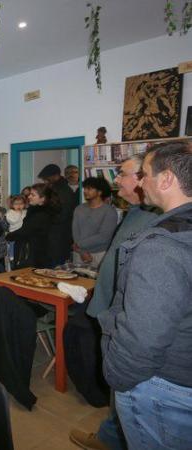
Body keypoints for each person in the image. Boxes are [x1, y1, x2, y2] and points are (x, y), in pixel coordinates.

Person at [99, 141, 192, 450]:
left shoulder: (161, 246)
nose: (141, 182)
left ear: (166, 180)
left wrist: (117, 376)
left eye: (146, 174)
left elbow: (143, 336)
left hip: (163, 386)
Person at [69, 154, 159, 450]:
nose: (116, 180)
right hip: (111, 311)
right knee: (121, 395)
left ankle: (112, 438)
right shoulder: (136, 210)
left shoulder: (157, 219)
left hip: (125, 318)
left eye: (123, 174)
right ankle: (110, 436)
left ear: (147, 179)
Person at [6, 183, 59, 269]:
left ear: (42, 198)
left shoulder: (42, 214)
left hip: (36, 254)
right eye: (30, 194)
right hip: (32, 251)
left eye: (33, 195)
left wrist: (8, 236)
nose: (29, 196)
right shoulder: (33, 210)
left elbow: (25, 231)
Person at [72, 177, 118, 267]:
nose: (85, 191)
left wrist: (79, 245)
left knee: (97, 280)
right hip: (79, 253)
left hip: (99, 254)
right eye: (84, 188)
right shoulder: (79, 209)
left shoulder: (109, 211)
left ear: (99, 192)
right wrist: (81, 251)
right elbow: (75, 232)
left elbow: (104, 236)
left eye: (89, 189)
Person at [38, 163, 76, 266]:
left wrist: (43, 220)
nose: (45, 181)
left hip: (59, 237)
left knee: (56, 270)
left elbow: (63, 215)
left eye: (47, 178)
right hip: (53, 237)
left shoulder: (64, 191)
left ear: (56, 176)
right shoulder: (55, 189)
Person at [6, 194, 27, 268]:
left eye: (21, 204)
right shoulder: (10, 213)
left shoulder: (25, 212)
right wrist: (19, 214)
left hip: (23, 234)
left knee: (22, 250)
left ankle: (20, 259)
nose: (19, 206)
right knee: (12, 245)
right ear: (12, 205)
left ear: (24, 204)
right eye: (16, 204)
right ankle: (12, 257)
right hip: (13, 233)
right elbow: (13, 221)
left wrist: (22, 213)